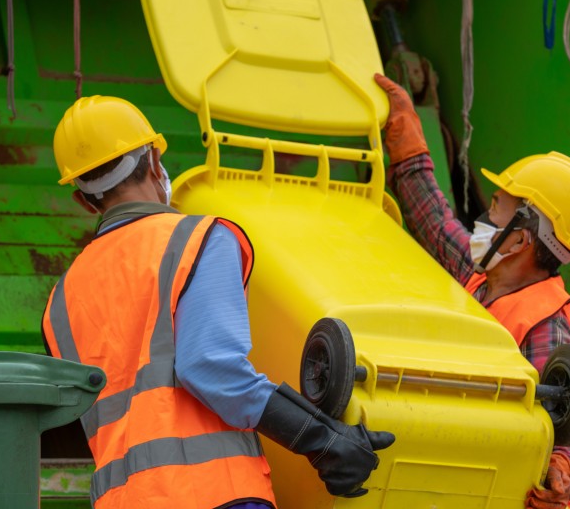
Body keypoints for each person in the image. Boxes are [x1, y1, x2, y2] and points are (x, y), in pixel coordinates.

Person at [41, 95, 395, 509]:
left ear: (83, 201)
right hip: (214, 495)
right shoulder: (195, 240)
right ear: (155, 162)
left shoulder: (60, 301)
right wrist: (322, 440)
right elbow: (210, 368)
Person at [375, 74, 570, 509]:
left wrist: (562, 466)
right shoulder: (485, 281)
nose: (486, 213)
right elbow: (435, 222)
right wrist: (406, 140)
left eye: (497, 205)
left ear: (520, 240)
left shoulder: (544, 326)